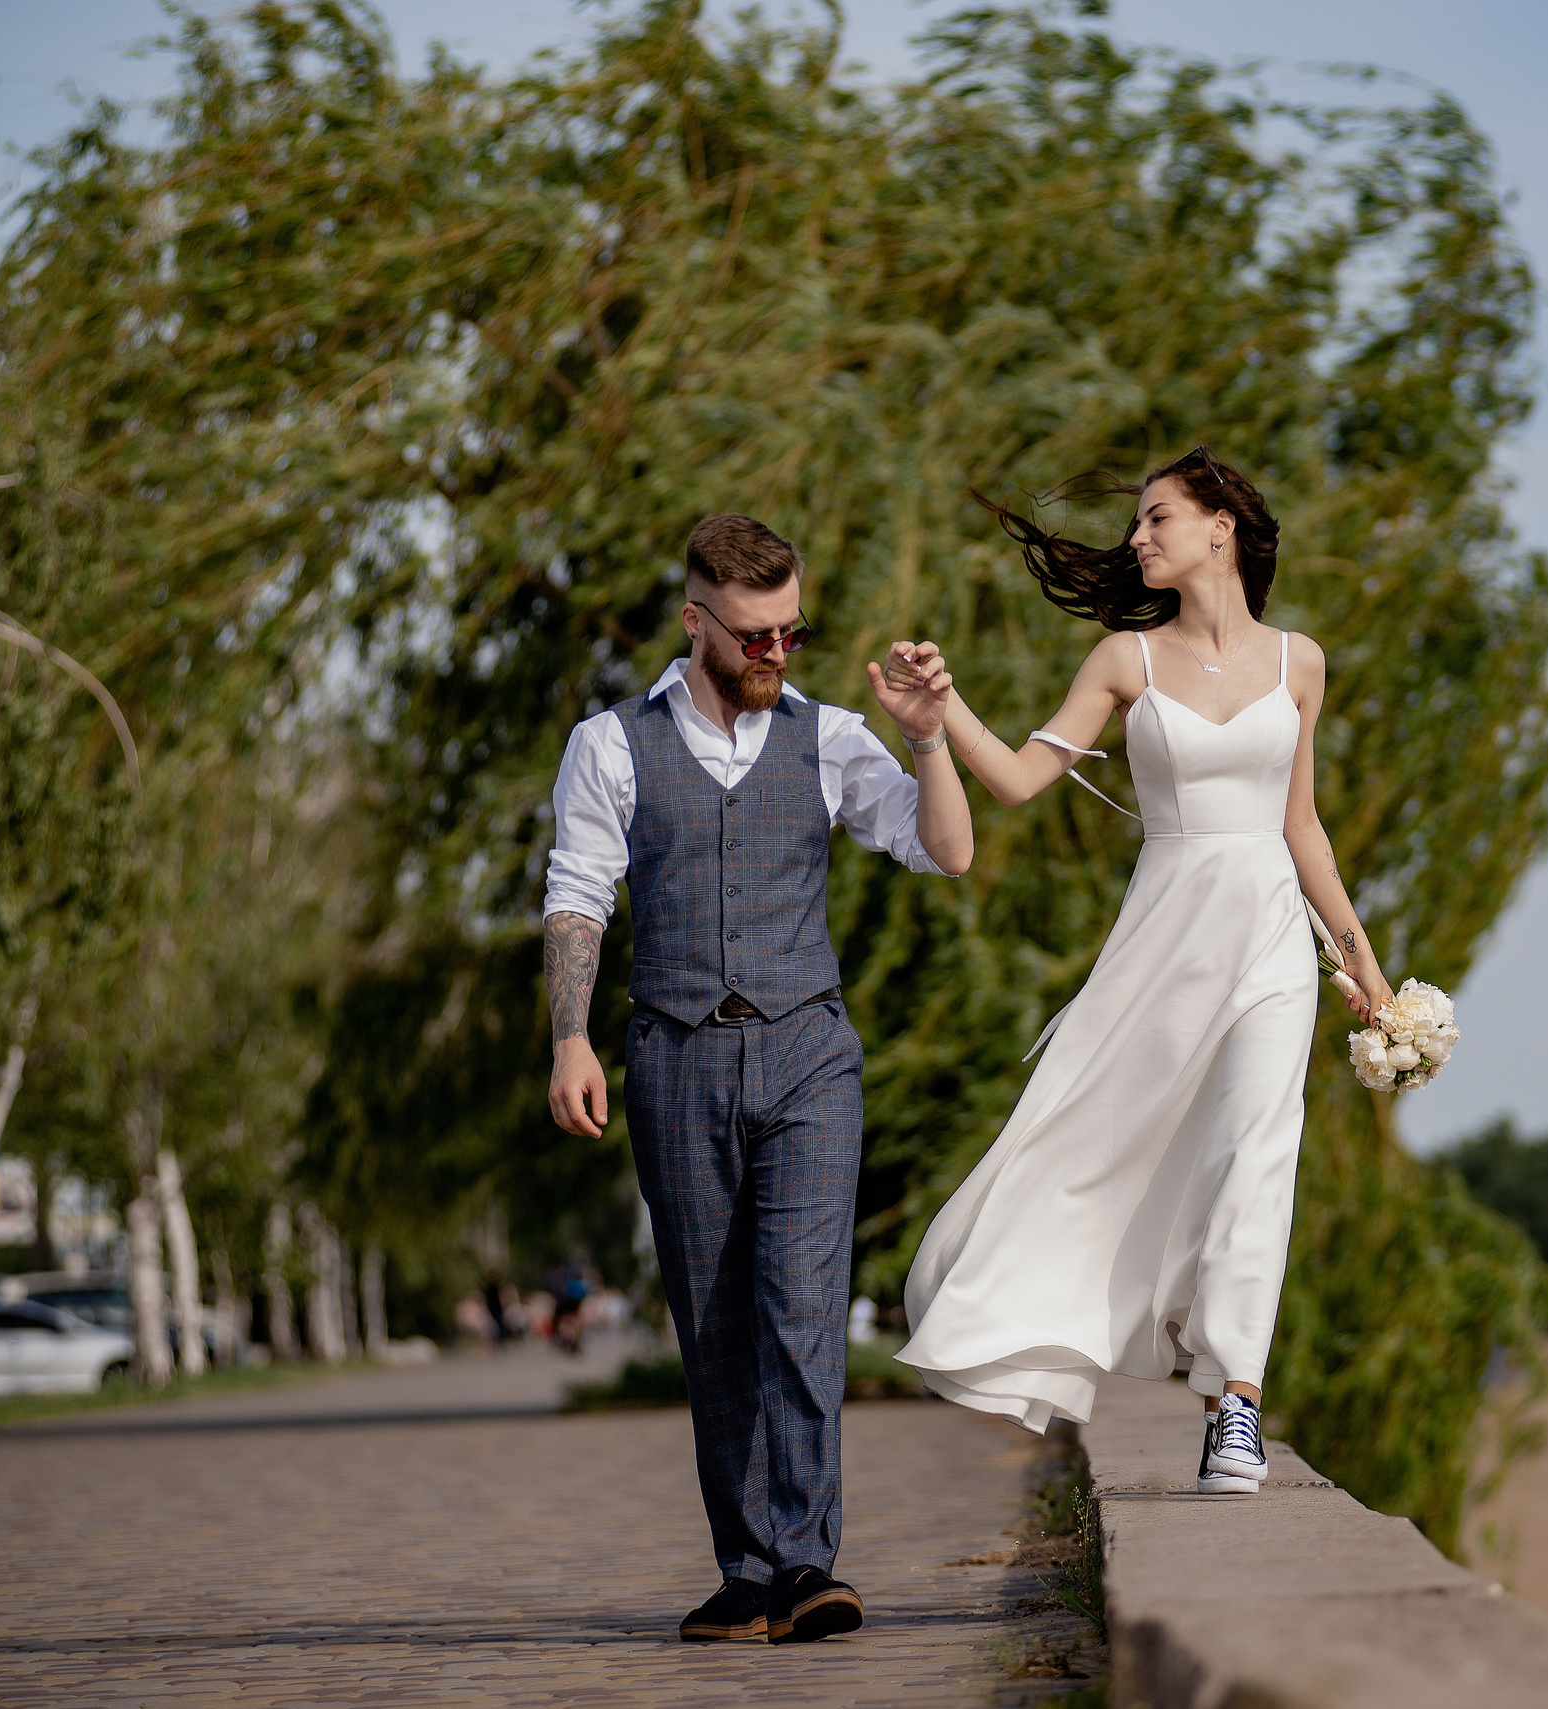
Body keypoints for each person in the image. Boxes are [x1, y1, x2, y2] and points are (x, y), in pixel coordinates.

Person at [894, 448, 1393, 1495]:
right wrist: (938, 720)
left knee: (1257, 1153)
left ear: (1220, 526)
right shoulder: (1126, 661)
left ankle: (1235, 1403)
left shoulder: (1300, 661)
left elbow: (1301, 825)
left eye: (1156, 517)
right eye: (1137, 522)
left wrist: (1363, 966)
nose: (1136, 537)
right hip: (1163, 940)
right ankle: (1025, 1301)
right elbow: (1020, 780)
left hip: (1269, 936)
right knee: (1087, 1139)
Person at [543, 513, 971, 1644]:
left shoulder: (831, 738)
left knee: (800, 1302)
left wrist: (929, 740)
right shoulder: (609, 745)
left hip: (806, 1052)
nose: (777, 651)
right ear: (696, 621)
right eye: (753, 635)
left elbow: (946, 849)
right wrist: (570, 1037)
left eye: (792, 629)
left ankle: (806, 1562)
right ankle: (746, 1571)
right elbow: (578, 892)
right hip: (674, 1053)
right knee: (714, 1315)